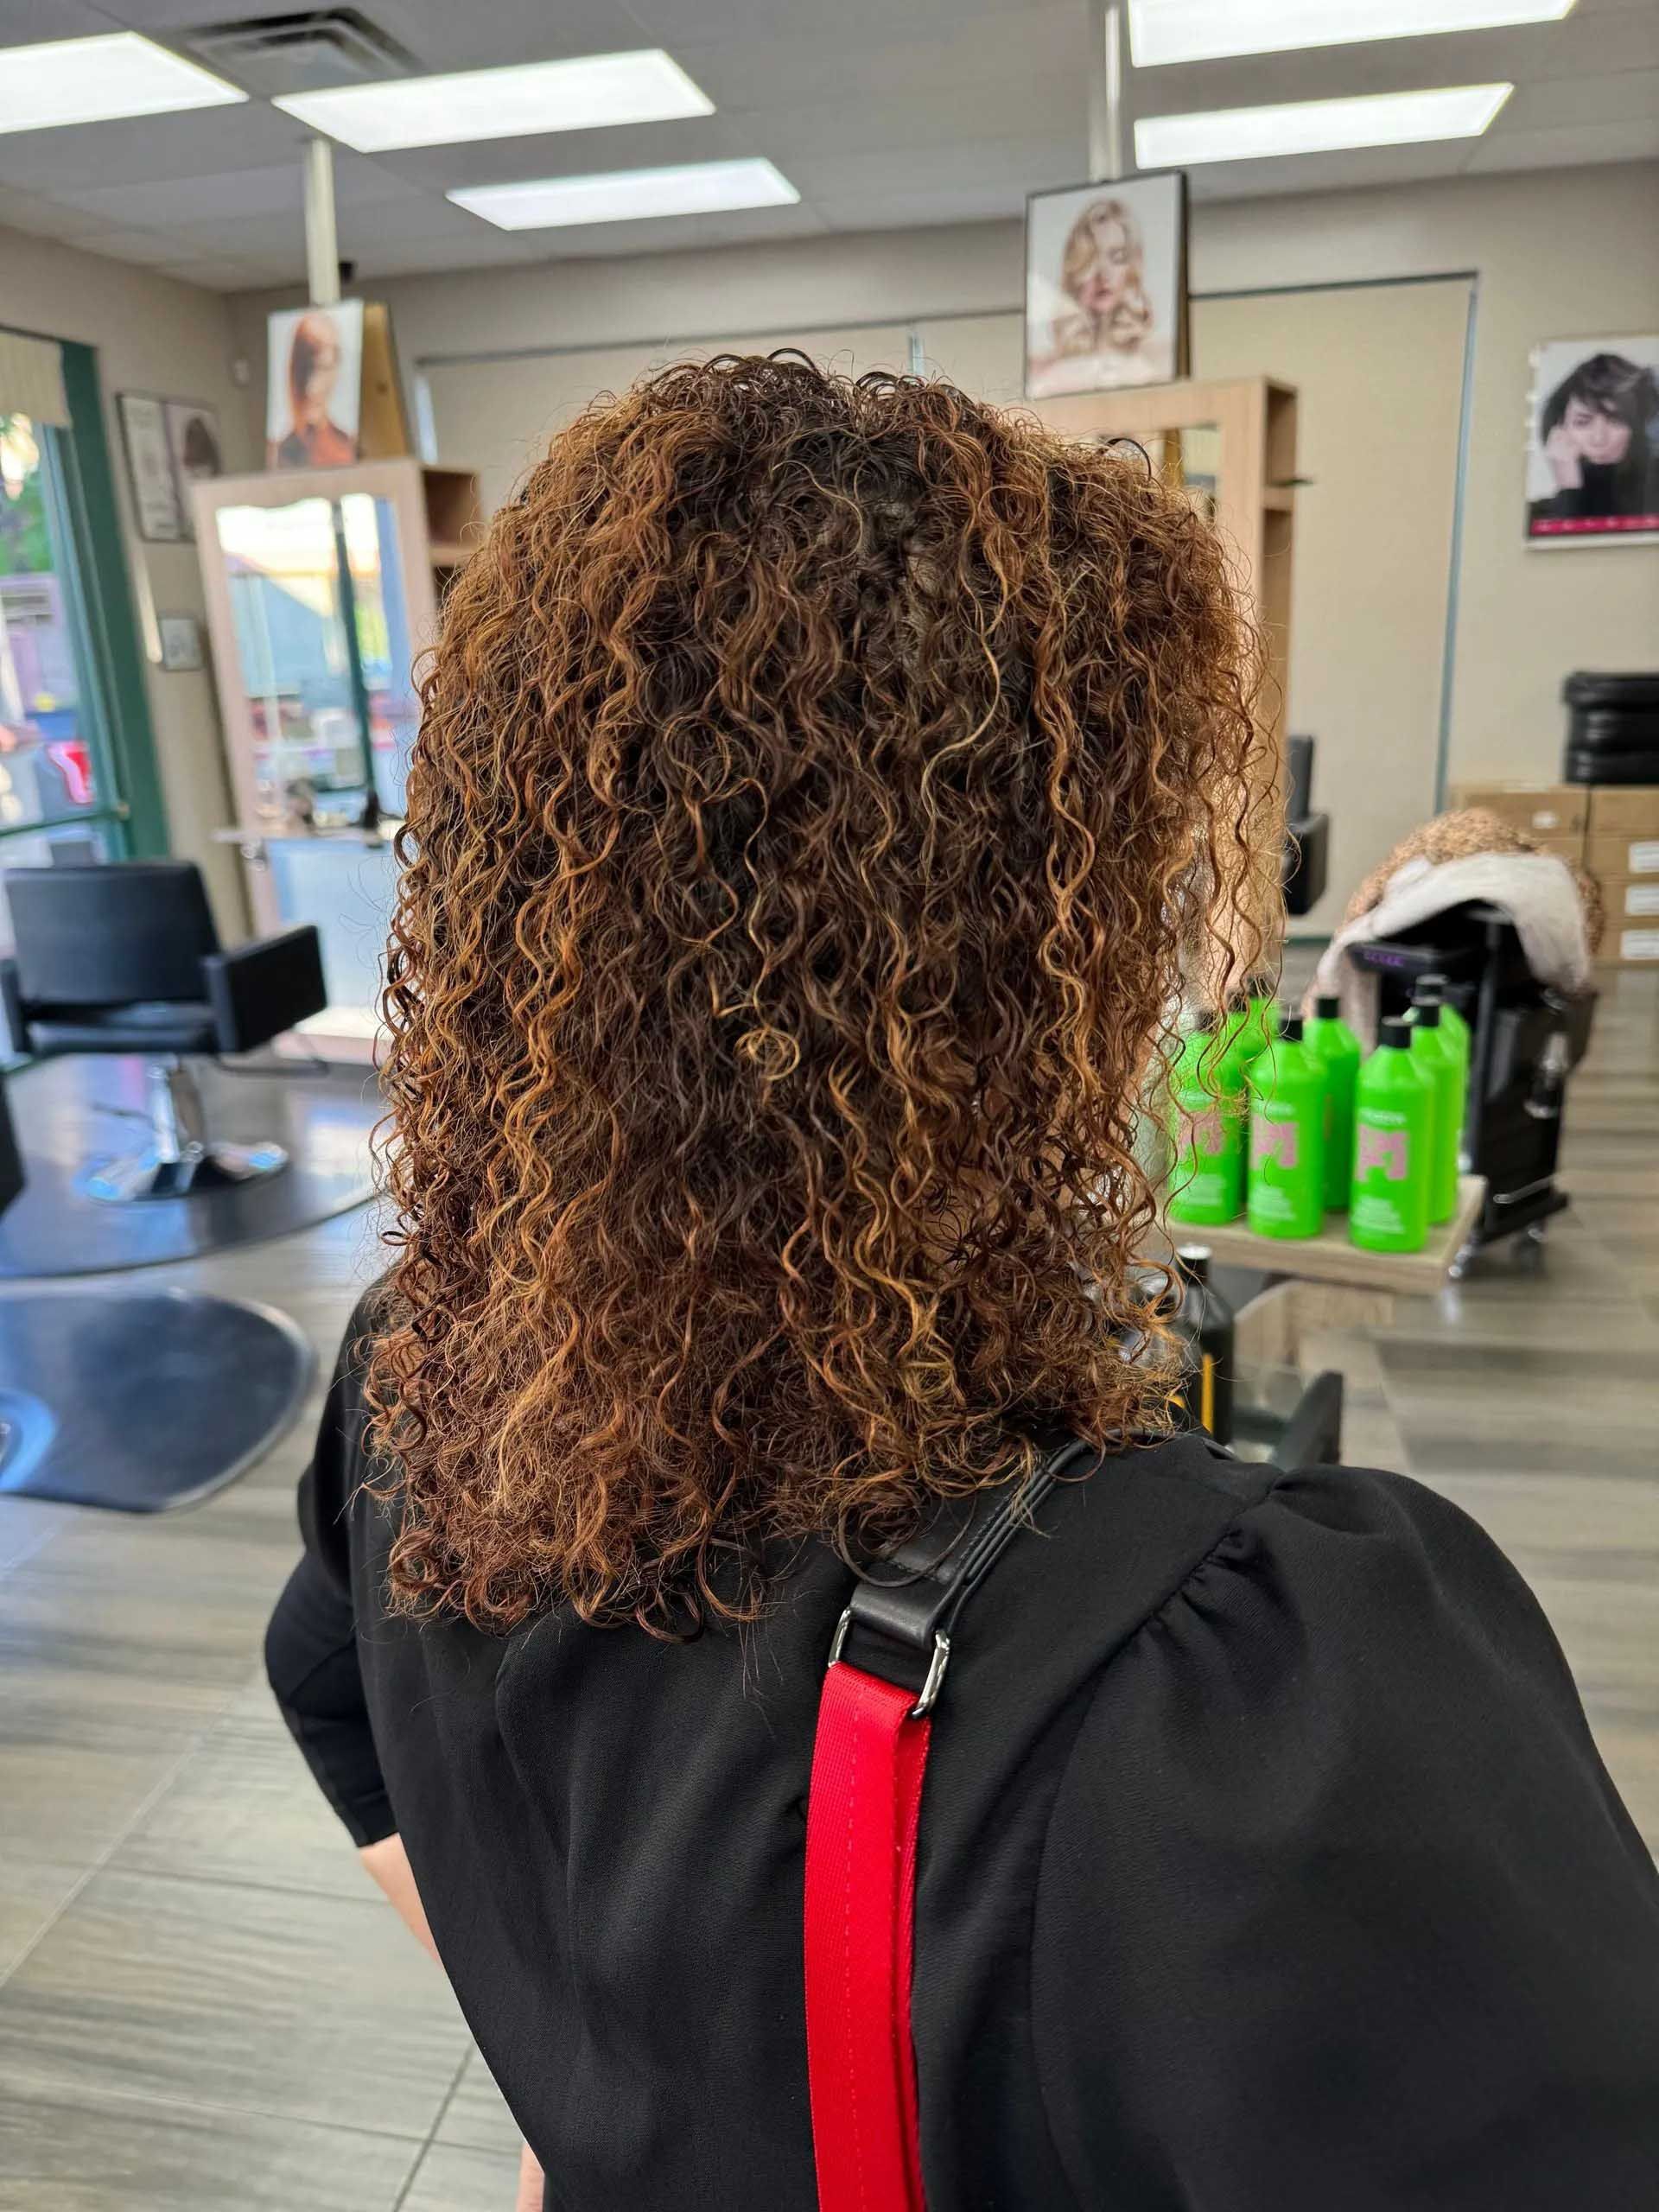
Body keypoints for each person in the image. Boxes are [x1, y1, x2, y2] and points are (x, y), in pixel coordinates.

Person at [267, 354, 1659, 2211]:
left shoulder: (421, 1378)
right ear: (1040, 965)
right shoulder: (1239, 1689)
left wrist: (593, 2089)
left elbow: (330, 1693)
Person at [1027, 194, 1173, 397]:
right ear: (1076, 268)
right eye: (1092, 258)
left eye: (1117, 257)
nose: (1104, 274)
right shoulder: (1045, 378)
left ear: (1132, 268)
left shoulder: (1158, 364)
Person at [1528, 349, 1659, 535]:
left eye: (1615, 421)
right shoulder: (1536, 516)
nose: (1599, 438)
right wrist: (1569, 490)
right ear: (1559, 428)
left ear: (1639, 425)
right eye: (1583, 422)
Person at [268, 308, 356, 469]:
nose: (315, 388)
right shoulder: (282, 450)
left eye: (326, 368)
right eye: (311, 368)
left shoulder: (345, 443)